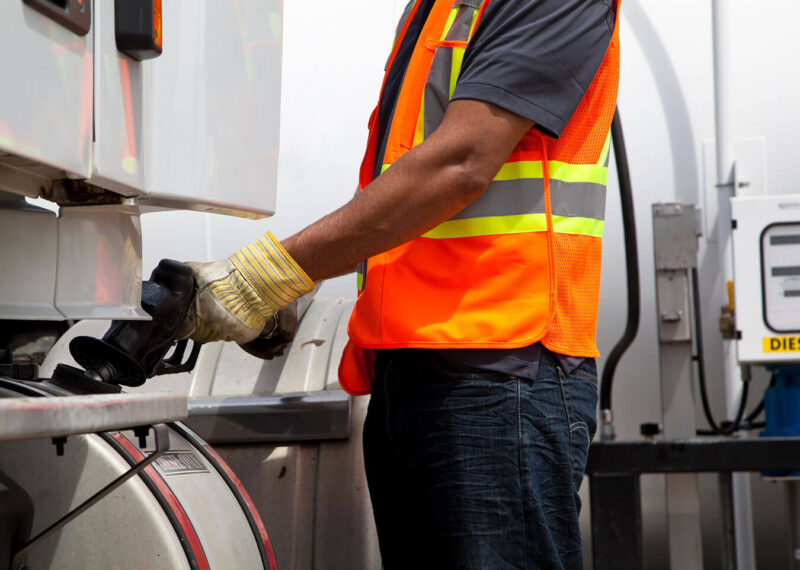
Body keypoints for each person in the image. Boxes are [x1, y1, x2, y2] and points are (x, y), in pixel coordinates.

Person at [181, 0, 619, 567]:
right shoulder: (434, 8)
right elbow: (406, 186)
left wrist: (269, 277)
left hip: (501, 370)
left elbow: (460, 162)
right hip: (417, 373)